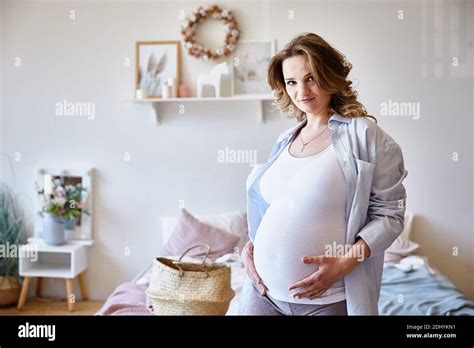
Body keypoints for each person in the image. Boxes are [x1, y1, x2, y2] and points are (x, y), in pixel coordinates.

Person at [238, 33, 408, 316]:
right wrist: (252, 244)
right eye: (291, 82)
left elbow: (391, 215)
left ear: (330, 76)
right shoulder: (285, 139)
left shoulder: (364, 135)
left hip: (326, 298)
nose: (301, 90)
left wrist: (345, 263)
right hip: (263, 293)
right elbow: (274, 206)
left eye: (311, 78)